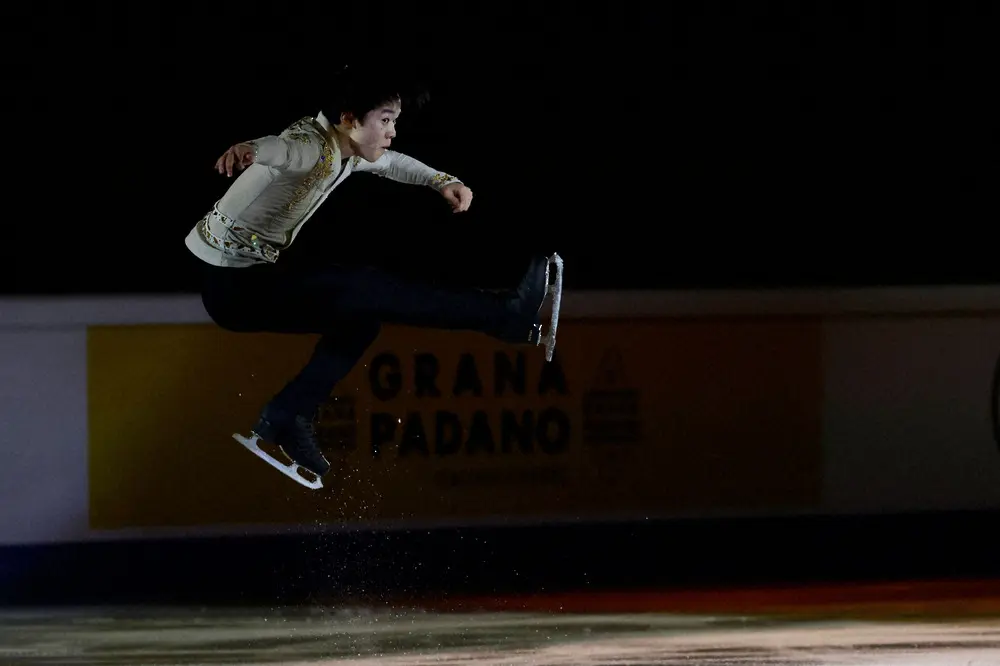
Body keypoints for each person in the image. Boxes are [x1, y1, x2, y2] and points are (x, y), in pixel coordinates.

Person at [184, 65, 563, 489]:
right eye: (385, 120)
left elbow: (392, 163)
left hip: (244, 282)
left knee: (359, 320)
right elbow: (283, 150)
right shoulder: (312, 147)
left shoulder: (341, 146)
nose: (391, 132)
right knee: (364, 289)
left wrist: (442, 181)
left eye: (393, 121)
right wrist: (249, 149)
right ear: (349, 119)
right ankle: (506, 315)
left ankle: (287, 414)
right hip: (235, 289)